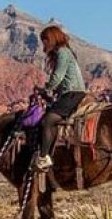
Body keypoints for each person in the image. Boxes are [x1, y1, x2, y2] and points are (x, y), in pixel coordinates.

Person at [35, 25, 87, 171]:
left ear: (51, 39)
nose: (43, 44)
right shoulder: (64, 52)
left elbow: (58, 76)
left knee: (47, 121)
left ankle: (43, 157)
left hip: (72, 93)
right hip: (69, 93)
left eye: (44, 40)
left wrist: (46, 88)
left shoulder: (63, 53)